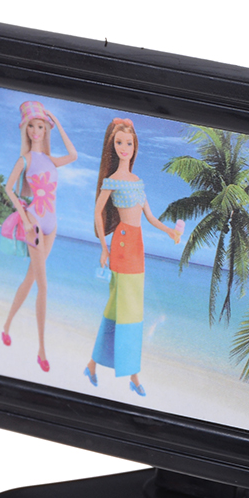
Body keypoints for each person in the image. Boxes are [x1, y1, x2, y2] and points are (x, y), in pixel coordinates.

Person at [84, 118, 180, 396]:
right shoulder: (111, 181)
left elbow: (150, 217)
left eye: (128, 143)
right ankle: (134, 376)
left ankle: (92, 365)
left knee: (118, 309)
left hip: (138, 247)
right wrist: (104, 247)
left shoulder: (137, 183)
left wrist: (169, 231)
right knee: (130, 311)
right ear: (113, 146)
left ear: (134, 146)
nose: (124, 147)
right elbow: (97, 212)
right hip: (122, 244)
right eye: (119, 143)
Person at [1, 101, 78, 372]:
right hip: (34, 221)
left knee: (31, 279)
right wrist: (24, 220)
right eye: (32, 126)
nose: (36, 130)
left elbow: (73, 155)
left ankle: (6, 325)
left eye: (41, 126)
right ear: (26, 129)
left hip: (52, 224)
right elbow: (9, 189)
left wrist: (57, 121)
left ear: (46, 130)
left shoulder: (50, 159)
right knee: (43, 285)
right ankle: (42, 350)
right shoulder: (25, 160)